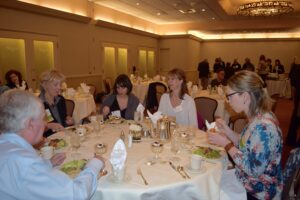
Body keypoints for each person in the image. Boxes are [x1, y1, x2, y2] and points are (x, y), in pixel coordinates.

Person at [0, 90, 105, 199]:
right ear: (30, 123)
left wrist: (46, 164)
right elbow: (76, 195)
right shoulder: (25, 163)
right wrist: (94, 165)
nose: (45, 124)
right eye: (42, 118)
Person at [207, 70, 283, 199]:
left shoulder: (264, 128)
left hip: (259, 192)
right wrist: (227, 131)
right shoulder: (256, 117)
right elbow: (246, 143)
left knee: (210, 191)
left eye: (230, 96)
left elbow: (253, 170)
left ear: (245, 96)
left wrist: (226, 144)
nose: (227, 100)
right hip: (245, 180)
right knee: (210, 182)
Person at [39, 70, 74, 137]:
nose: (59, 87)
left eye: (60, 84)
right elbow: (35, 130)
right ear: (44, 85)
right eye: (55, 85)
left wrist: (68, 119)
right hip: (48, 140)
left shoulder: (60, 99)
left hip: (63, 136)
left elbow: (64, 118)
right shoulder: (38, 104)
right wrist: (48, 126)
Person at [286, 56, 300, 147]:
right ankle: (291, 140)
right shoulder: (298, 68)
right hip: (299, 99)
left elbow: (294, 85)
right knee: (296, 119)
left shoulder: (297, 68)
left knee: (296, 119)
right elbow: (294, 85)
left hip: (298, 97)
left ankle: (291, 140)